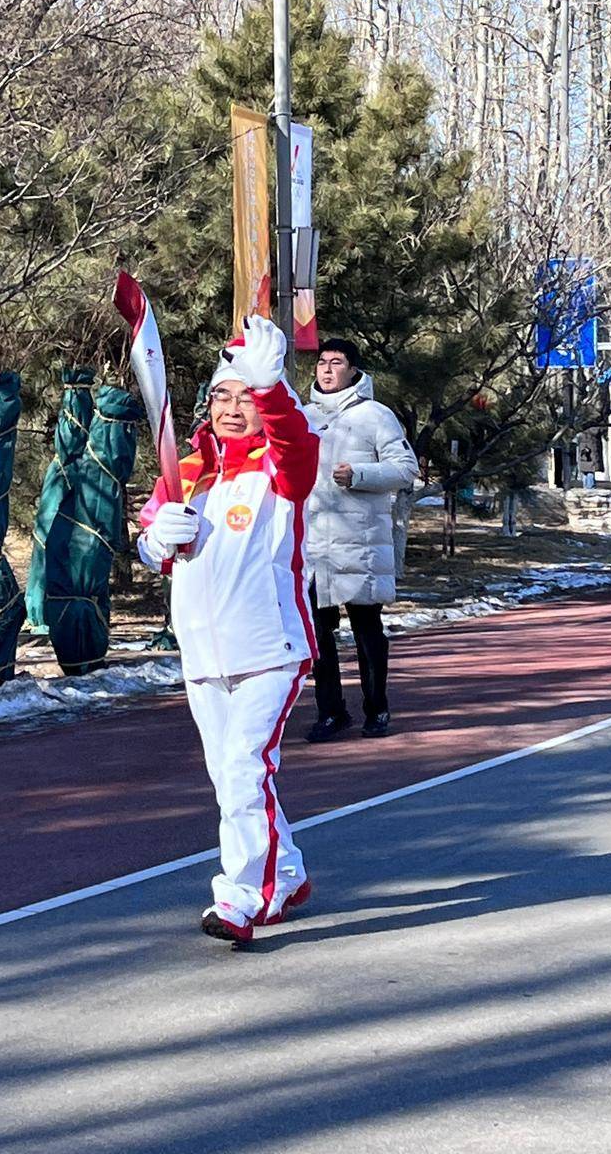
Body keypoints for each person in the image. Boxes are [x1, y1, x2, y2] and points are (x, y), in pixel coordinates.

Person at [138, 315, 318, 944]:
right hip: (202, 657)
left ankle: (245, 897)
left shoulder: (282, 470)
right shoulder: (183, 473)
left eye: (246, 396)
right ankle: (286, 872)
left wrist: (274, 389)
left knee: (244, 770)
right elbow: (153, 546)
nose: (233, 408)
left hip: (270, 649)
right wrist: (154, 540)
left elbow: (299, 447)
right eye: (223, 394)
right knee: (234, 780)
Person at [304, 338, 418, 742]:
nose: (327, 369)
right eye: (322, 362)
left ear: (354, 370)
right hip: (313, 546)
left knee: (366, 629)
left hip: (360, 541)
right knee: (317, 634)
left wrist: (361, 475)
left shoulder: (375, 415)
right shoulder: (304, 416)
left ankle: (377, 707)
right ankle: (331, 711)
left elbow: (406, 469)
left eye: (337, 362)